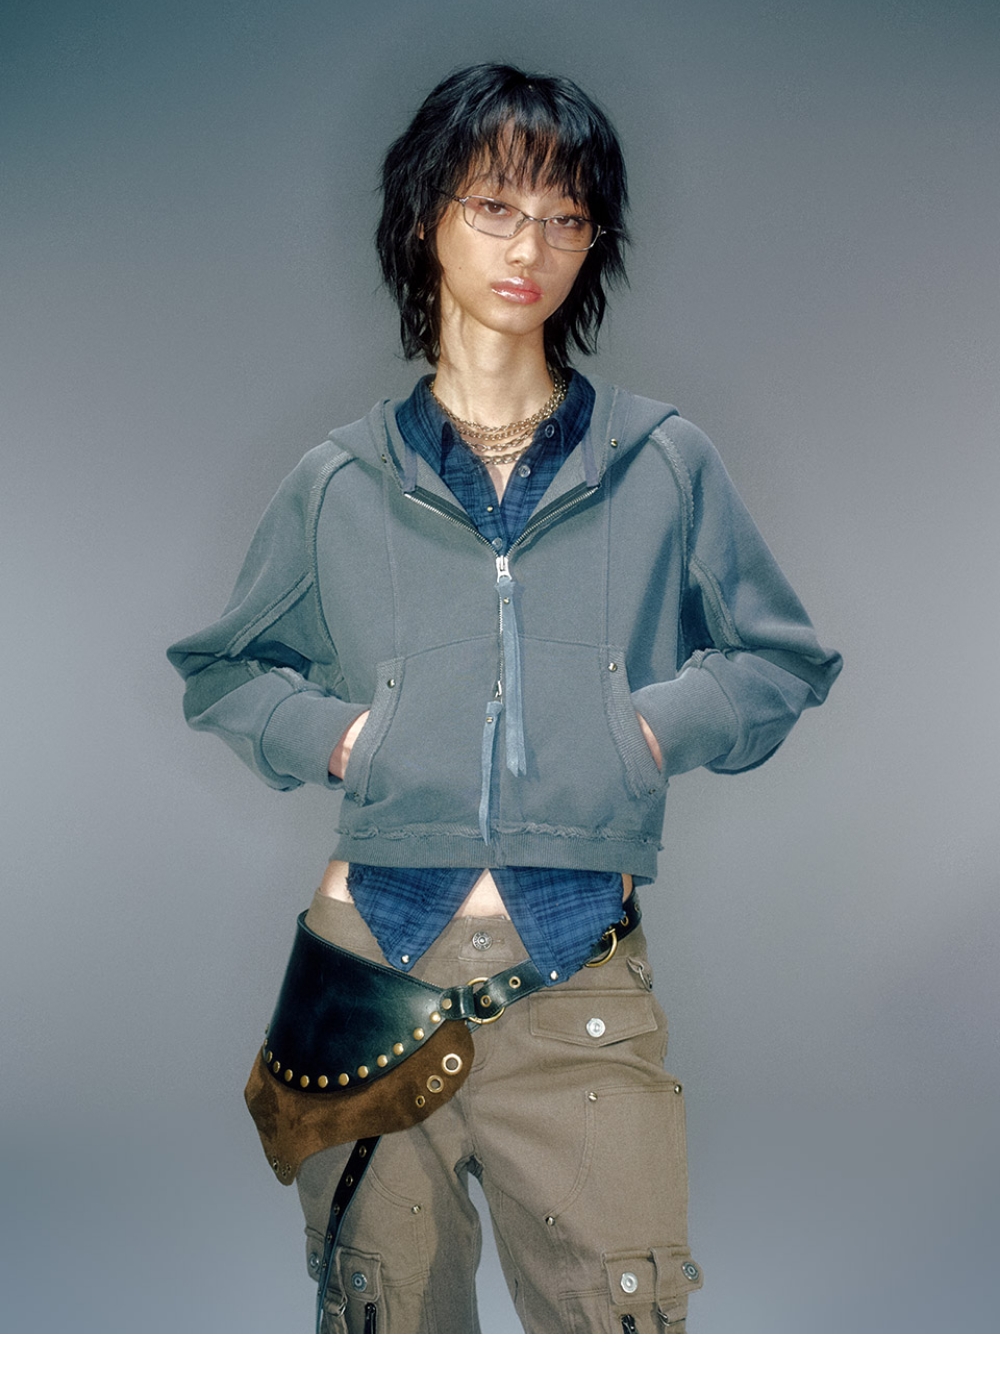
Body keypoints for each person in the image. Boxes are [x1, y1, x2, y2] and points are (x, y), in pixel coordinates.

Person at [168, 62, 841, 1334]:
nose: (532, 247)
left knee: (619, 1326)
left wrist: (645, 730)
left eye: (566, 217)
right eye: (495, 206)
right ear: (424, 216)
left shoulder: (660, 462)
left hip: (576, 976)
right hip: (369, 969)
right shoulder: (339, 480)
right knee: (386, 1328)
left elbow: (780, 656)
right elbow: (223, 668)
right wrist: (348, 737)